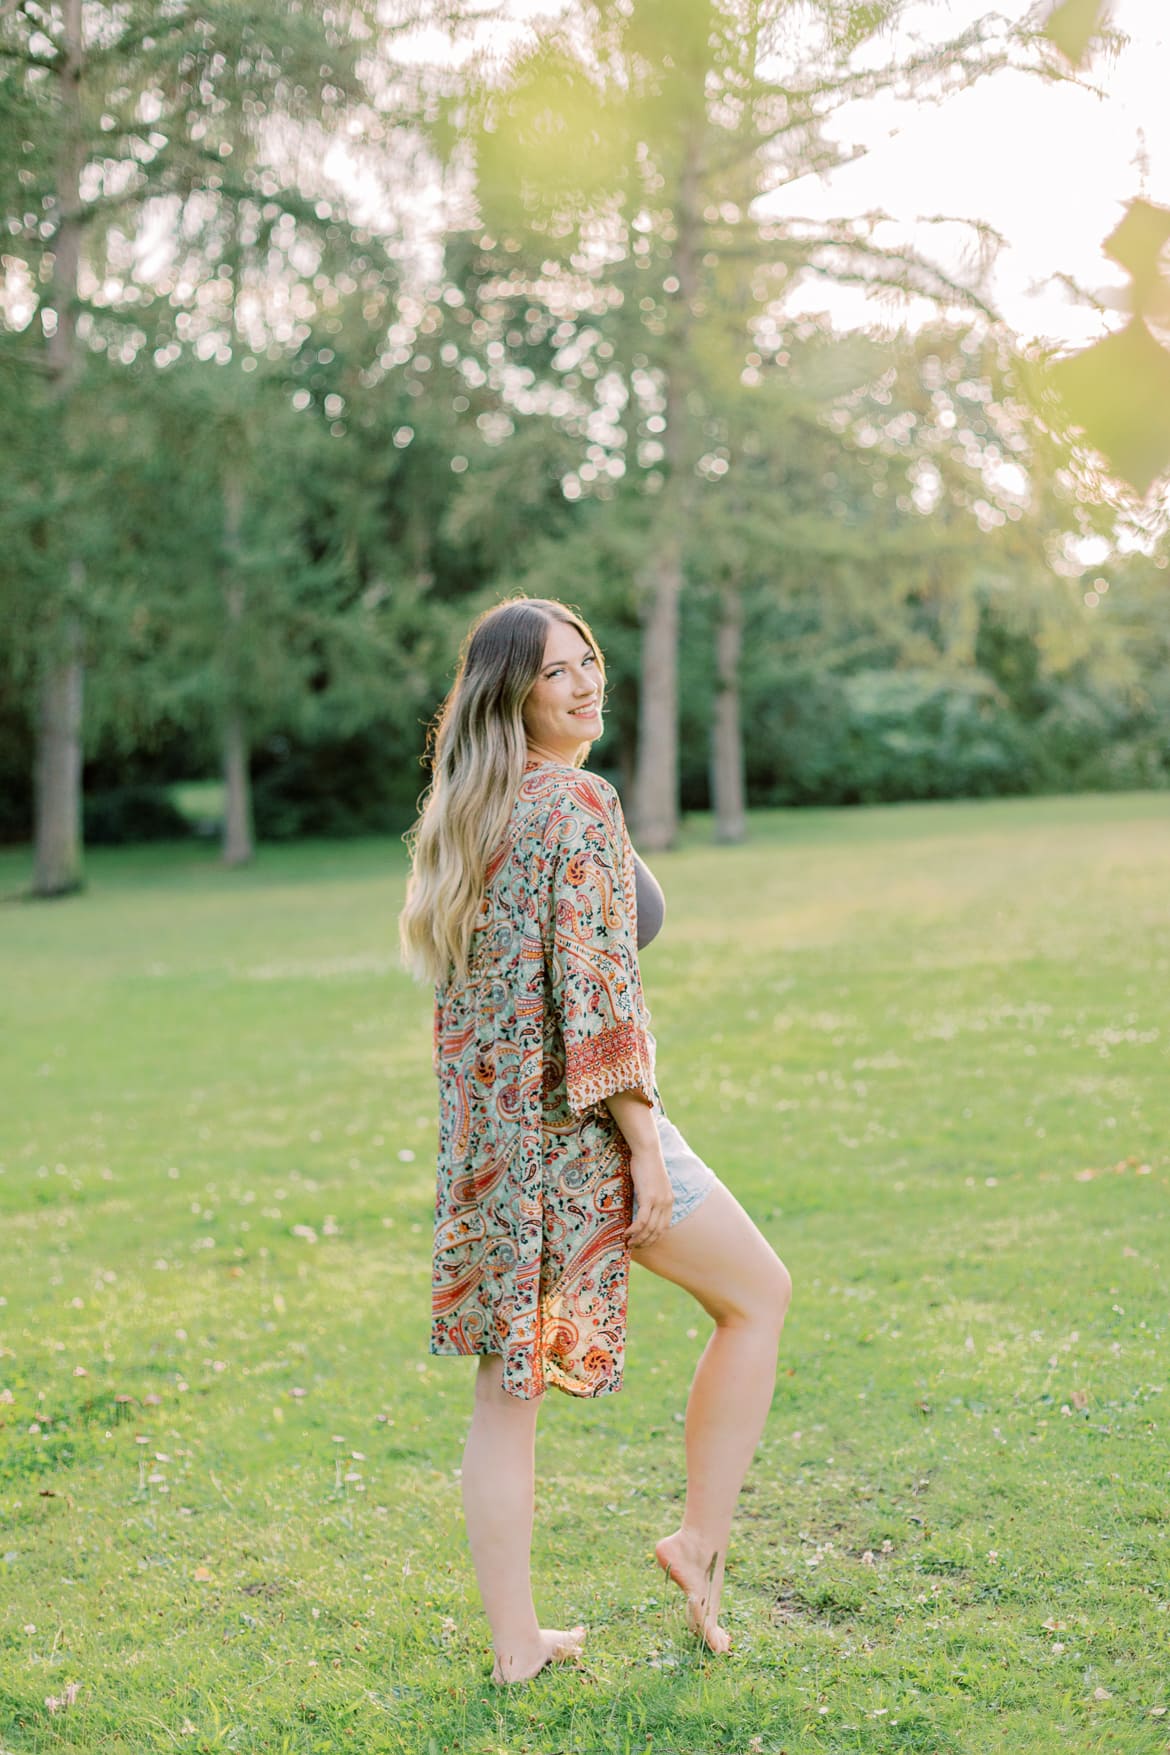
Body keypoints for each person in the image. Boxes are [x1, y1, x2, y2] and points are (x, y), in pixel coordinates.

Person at [398, 595, 792, 1684]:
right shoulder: (577, 801)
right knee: (759, 1295)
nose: (585, 684)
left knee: (504, 1398)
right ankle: (698, 1542)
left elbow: (478, 1014)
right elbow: (596, 987)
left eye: (590, 662)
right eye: (557, 672)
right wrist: (638, 1143)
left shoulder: (462, 815)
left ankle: (517, 1647)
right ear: (510, 694)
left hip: (497, 1153)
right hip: (588, 1133)